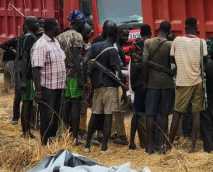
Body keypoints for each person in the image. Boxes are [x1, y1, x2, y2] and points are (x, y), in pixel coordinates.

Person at [168, 17, 208, 152]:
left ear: (185, 28)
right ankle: (192, 147)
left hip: (183, 82)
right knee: (196, 114)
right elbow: (205, 60)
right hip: (197, 82)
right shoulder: (202, 42)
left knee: (177, 114)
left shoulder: (177, 41)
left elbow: (172, 58)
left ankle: (169, 145)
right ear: (197, 29)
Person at [83, 25, 123, 153]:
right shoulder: (113, 50)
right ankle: (104, 147)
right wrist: (123, 84)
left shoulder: (95, 46)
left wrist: (86, 78)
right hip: (110, 86)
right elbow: (118, 70)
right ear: (116, 36)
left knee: (94, 115)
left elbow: (85, 61)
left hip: (97, 86)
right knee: (108, 116)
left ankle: (87, 146)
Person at [31, 18, 66, 145]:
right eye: (57, 26)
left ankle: (52, 142)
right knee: (47, 118)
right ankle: (45, 143)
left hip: (58, 86)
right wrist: (38, 91)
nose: (59, 28)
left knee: (56, 117)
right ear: (52, 28)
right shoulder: (41, 45)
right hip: (47, 88)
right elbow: (35, 69)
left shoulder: (55, 42)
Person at [143, 21, 174, 154]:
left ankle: (149, 147)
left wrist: (145, 81)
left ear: (158, 29)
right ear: (169, 32)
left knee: (150, 115)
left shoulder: (148, 43)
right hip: (167, 84)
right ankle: (161, 146)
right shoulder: (170, 45)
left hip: (152, 84)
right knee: (164, 115)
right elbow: (174, 65)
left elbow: (144, 61)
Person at [58, 10, 86, 145]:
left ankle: (65, 134)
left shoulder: (60, 36)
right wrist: (81, 76)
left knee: (65, 104)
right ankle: (75, 137)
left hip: (63, 73)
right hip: (74, 74)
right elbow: (76, 58)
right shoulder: (78, 36)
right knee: (75, 104)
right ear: (79, 23)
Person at [128, 24, 151, 150]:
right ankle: (148, 144)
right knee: (148, 113)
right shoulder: (149, 44)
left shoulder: (133, 46)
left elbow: (132, 66)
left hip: (136, 83)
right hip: (146, 83)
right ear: (150, 33)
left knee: (136, 114)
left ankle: (131, 142)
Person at [18, 16, 40, 138]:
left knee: (29, 103)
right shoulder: (29, 38)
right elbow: (25, 59)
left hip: (29, 75)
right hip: (29, 75)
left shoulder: (32, 37)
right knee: (27, 103)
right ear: (29, 25)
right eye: (35, 22)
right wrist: (24, 79)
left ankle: (27, 131)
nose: (37, 24)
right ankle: (25, 132)